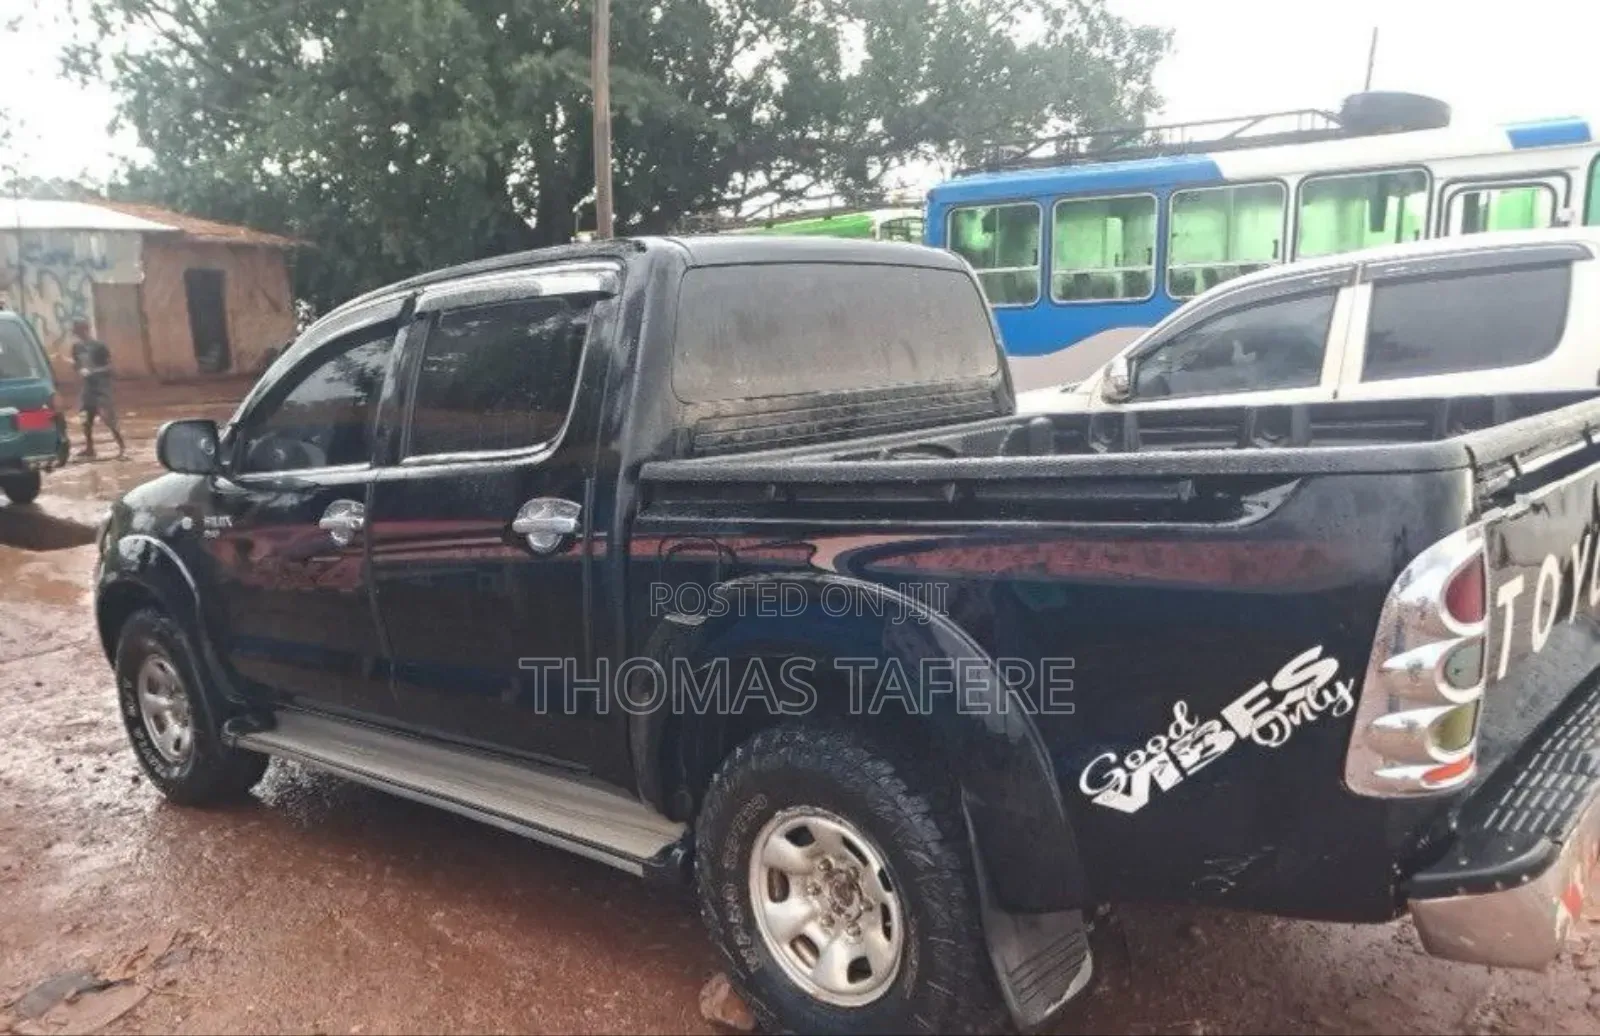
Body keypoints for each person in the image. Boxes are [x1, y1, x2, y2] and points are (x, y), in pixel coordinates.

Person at [62, 319, 125, 460]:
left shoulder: (99, 346)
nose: (77, 334)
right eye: (76, 331)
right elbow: (77, 365)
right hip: (87, 388)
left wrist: (93, 371)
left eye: (79, 331)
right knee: (85, 418)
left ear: (86, 330)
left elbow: (110, 367)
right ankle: (90, 448)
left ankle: (122, 447)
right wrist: (78, 368)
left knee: (107, 417)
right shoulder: (76, 347)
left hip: (101, 387)